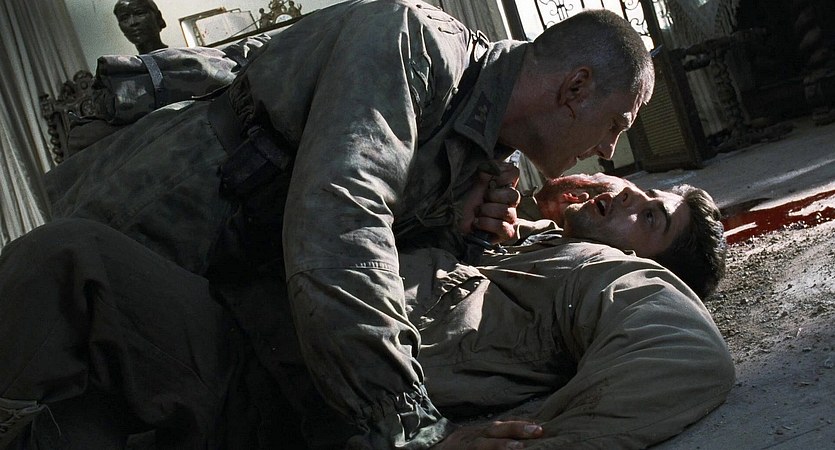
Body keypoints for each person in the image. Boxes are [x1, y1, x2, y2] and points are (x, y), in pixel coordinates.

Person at [9, 1, 655, 448]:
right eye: (616, 125)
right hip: (167, 212)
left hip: (243, 285)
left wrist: (462, 235)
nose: (608, 151)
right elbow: (341, 228)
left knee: (92, 419)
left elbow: (399, 266)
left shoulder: (489, 154)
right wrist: (411, 428)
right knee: (67, 299)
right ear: (575, 88)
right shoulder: (413, 43)